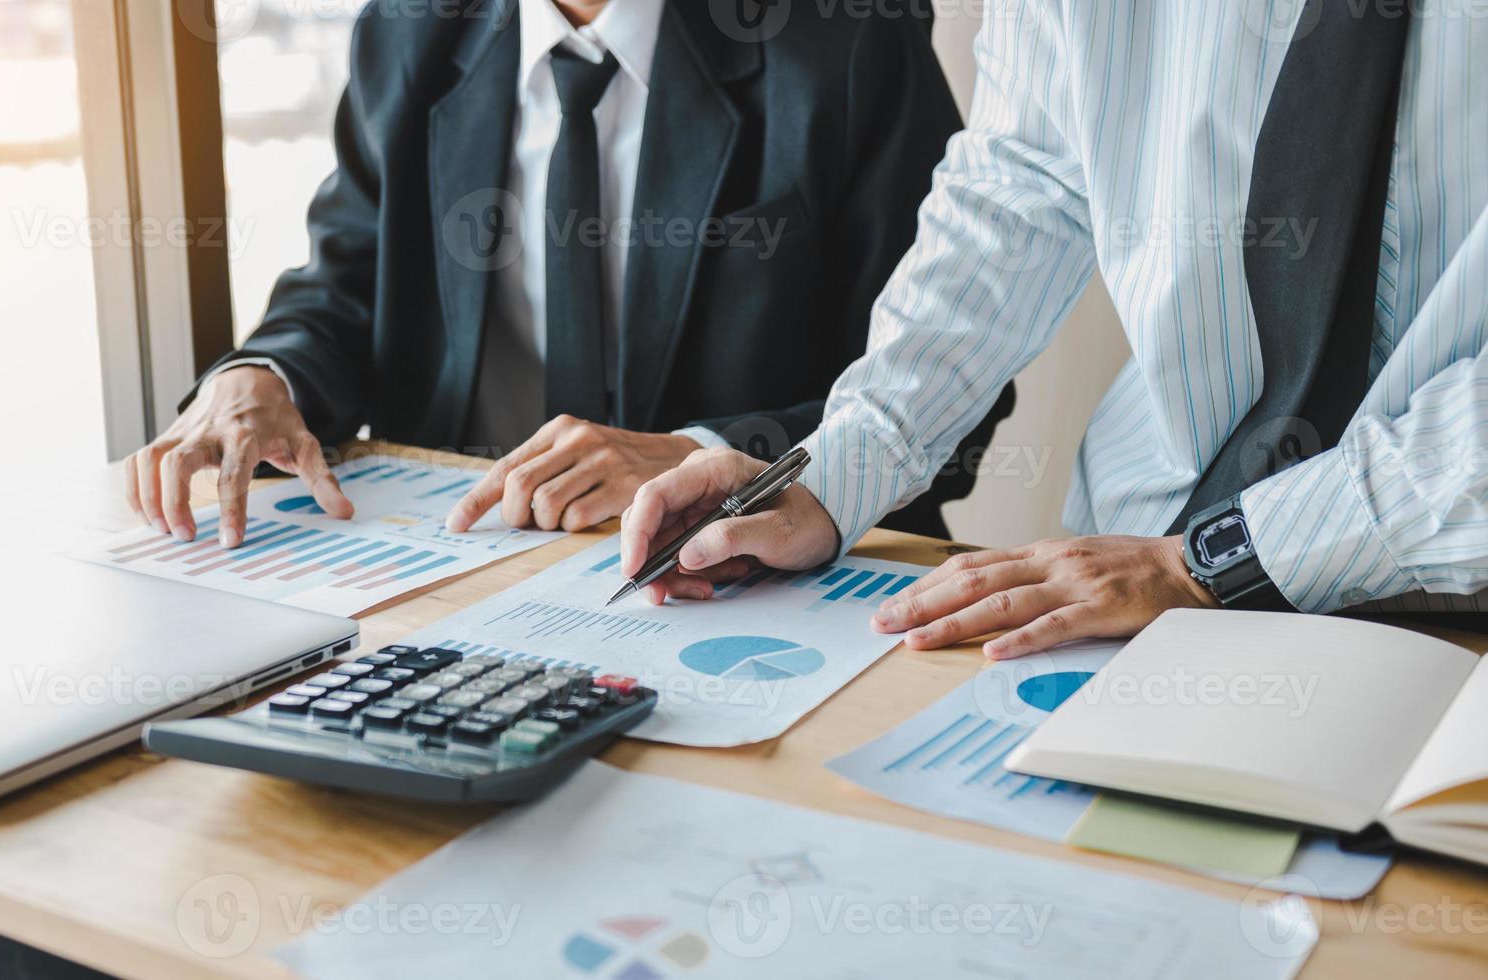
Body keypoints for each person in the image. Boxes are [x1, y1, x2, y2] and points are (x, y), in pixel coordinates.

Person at [621, 0, 1488, 658]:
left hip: (1446, 606)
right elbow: (1019, 182)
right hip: (1122, 579)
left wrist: (1214, 561)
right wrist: (835, 469)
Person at [124, 0, 1014, 549]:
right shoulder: (408, 29)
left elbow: (951, 388)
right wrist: (260, 375)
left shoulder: (845, 37)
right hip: (460, 551)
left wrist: (714, 457)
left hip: (745, 576)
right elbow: (348, 282)